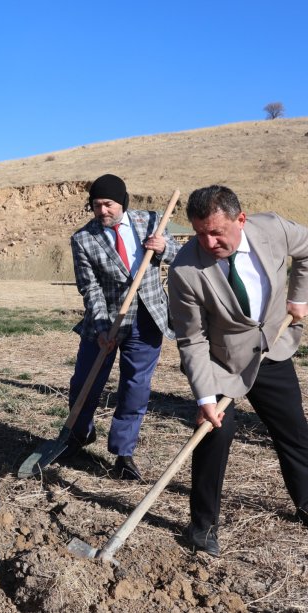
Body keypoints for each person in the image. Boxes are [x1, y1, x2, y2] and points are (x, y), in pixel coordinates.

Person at [167, 185, 308, 557]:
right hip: (222, 360)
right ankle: (203, 526)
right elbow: (192, 339)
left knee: (293, 431)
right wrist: (205, 397)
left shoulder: (273, 229)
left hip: (272, 348)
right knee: (212, 435)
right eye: (200, 233)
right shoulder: (185, 270)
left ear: (241, 219)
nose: (209, 241)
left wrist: (299, 297)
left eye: (217, 231)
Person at [60, 174, 178, 480]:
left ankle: (123, 453)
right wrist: (102, 327)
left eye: (108, 204)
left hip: (147, 319)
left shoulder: (151, 221)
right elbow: (90, 289)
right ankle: (77, 435)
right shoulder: (84, 239)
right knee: (85, 380)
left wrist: (163, 246)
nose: (102, 211)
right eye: (96, 205)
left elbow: (180, 255)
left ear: (122, 203)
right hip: (105, 320)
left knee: (135, 387)